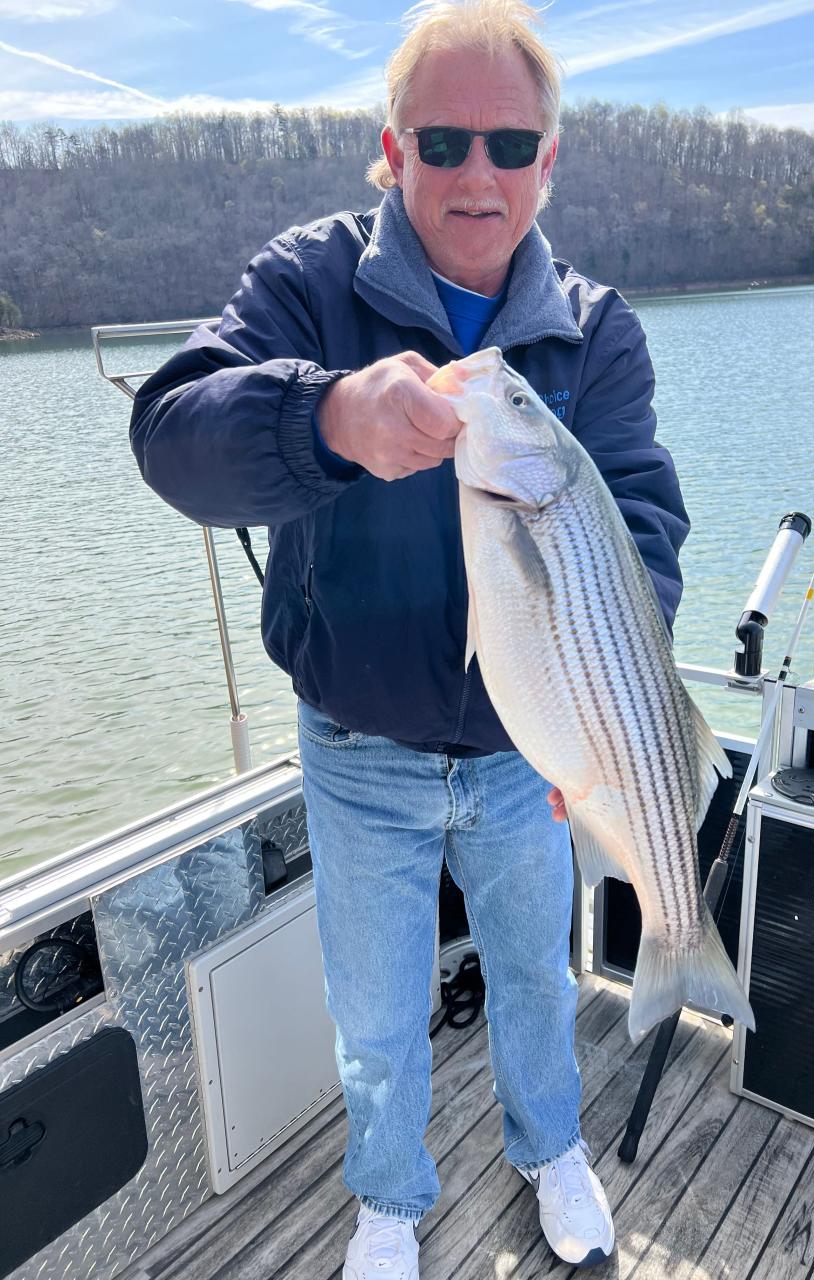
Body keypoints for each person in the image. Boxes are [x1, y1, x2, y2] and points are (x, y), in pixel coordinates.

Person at [130, 1, 690, 1273]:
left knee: (538, 985)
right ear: (392, 152)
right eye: (442, 141)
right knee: (375, 1015)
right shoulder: (311, 286)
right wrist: (321, 416)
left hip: (522, 754)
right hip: (355, 744)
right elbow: (168, 433)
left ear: (550, 161)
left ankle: (551, 1147)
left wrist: (604, 675)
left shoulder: (596, 333)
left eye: (507, 144)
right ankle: (389, 1194)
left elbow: (646, 516)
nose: (476, 173)